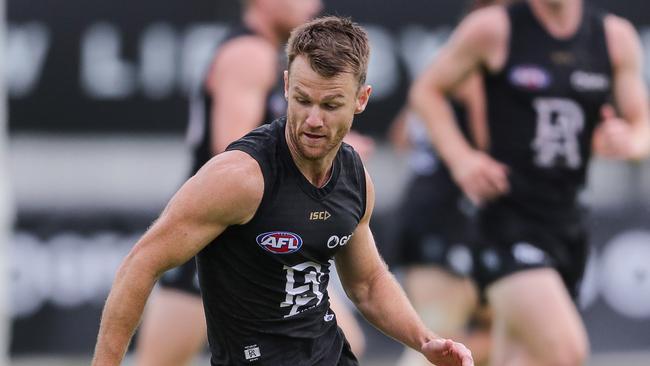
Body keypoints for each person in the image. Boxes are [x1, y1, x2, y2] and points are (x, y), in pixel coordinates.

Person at [92, 16, 474, 366]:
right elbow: (140, 264)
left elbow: (368, 283)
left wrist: (424, 341)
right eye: (303, 100)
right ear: (287, 85)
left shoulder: (355, 176)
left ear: (361, 100)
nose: (313, 120)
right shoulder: (241, 177)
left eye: (330, 105)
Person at [411, 0, 650, 365]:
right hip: (507, 222)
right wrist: (462, 160)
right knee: (566, 351)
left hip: (567, 223)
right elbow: (426, 91)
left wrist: (628, 140)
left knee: (520, 358)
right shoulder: (494, 29)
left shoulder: (615, 37)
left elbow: (641, 125)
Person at [134, 2, 370, 365]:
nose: (313, 5)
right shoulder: (250, 54)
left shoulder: (267, 55)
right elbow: (234, 152)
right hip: (227, 235)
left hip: (246, 232)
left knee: (341, 344)